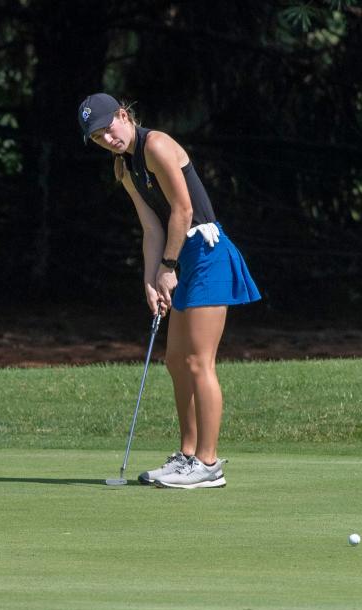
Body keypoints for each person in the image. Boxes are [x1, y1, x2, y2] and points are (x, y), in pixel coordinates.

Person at [78, 93, 261, 489]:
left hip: (206, 253)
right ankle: (188, 456)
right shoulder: (124, 169)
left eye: (108, 128)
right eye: (96, 137)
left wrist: (168, 267)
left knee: (198, 362)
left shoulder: (156, 144)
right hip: (177, 256)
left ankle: (209, 465)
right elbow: (152, 228)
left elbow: (183, 210)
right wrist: (150, 278)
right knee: (176, 361)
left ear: (123, 116)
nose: (106, 139)